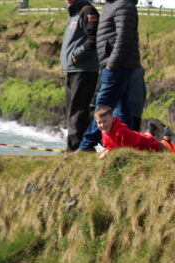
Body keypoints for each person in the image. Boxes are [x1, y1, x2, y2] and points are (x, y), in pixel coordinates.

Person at [78, 0, 141, 151]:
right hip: (114, 64)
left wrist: (111, 64)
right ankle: (127, 147)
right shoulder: (112, 5)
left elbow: (124, 38)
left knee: (103, 104)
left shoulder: (123, 5)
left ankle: (86, 146)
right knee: (122, 108)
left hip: (117, 66)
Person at [60, 0, 99, 152]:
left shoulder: (87, 10)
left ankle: (76, 149)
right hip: (72, 69)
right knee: (72, 111)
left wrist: (77, 55)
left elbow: (93, 39)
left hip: (83, 70)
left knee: (78, 111)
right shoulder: (74, 13)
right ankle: (76, 147)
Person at [94, 106, 162, 159]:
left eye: (105, 121)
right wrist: (106, 151)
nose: (102, 125)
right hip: (141, 144)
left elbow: (128, 151)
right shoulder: (104, 132)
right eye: (99, 122)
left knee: (165, 149)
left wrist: (109, 152)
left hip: (151, 146)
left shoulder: (121, 132)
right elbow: (111, 147)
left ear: (113, 119)